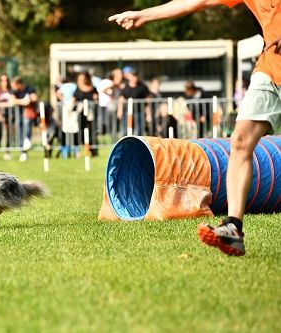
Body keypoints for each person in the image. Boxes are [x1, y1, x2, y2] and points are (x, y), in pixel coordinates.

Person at [109, 0, 280, 257]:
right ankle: (233, 228)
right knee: (241, 141)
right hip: (271, 66)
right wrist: (144, 15)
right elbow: (197, 1)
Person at [70, 71, 99, 157]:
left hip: (91, 114)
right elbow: (74, 98)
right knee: (79, 132)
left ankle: (93, 150)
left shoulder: (93, 88)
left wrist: (96, 99)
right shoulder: (77, 88)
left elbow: (96, 100)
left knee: (91, 132)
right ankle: (77, 151)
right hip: (80, 114)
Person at [10, 76, 38, 162]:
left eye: (14, 85)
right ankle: (23, 152)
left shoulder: (29, 88)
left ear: (19, 84)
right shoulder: (14, 91)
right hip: (18, 114)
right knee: (19, 131)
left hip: (28, 113)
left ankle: (27, 142)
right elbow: (13, 100)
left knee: (27, 126)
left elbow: (34, 98)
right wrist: (23, 101)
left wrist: (21, 101)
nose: (13, 88)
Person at [117, 66, 151, 136]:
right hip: (127, 112)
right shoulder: (125, 86)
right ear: (129, 76)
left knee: (139, 132)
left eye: (136, 75)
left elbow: (148, 101)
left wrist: (148, 114)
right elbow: (121, 99)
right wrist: (119, 111)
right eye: (133, 75)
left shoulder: (143, 87)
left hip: (139, 112)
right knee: (125, 131)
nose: (135, 77)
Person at [0, 74, 13, 160]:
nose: (4, 82)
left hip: (9, 116)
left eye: (6, 80)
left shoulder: (11, 91)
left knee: (8, 134)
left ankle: (7, 152)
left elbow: (12, 102)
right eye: (2, 80)